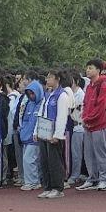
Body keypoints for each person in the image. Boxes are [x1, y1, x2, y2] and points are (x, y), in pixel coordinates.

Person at [37, 69, 72, 199]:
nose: (47, 80)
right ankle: (47, 187)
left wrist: (57, 135)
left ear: (57, 79)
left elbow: (62, 116)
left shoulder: (62, 95)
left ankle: (57, 188)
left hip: (54, 135)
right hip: (44, 133)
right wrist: (36, 131)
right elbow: (41, 113)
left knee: (54, 162)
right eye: (47, 77)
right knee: (44, 161)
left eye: (50, 77)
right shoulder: (47, 95)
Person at [80, 60, 106, 191]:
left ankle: (103, 179)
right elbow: (85, 104)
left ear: (98, 70)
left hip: (99, 124)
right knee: (89, 153)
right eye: (87, 68)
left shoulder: (103, 85)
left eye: (91, 68)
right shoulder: (89, 86)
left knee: (101, 153)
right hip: (88, 125)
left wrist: (88, 118)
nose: (88, 70)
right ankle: (92, 178)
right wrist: (84, 118)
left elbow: (101, 106)